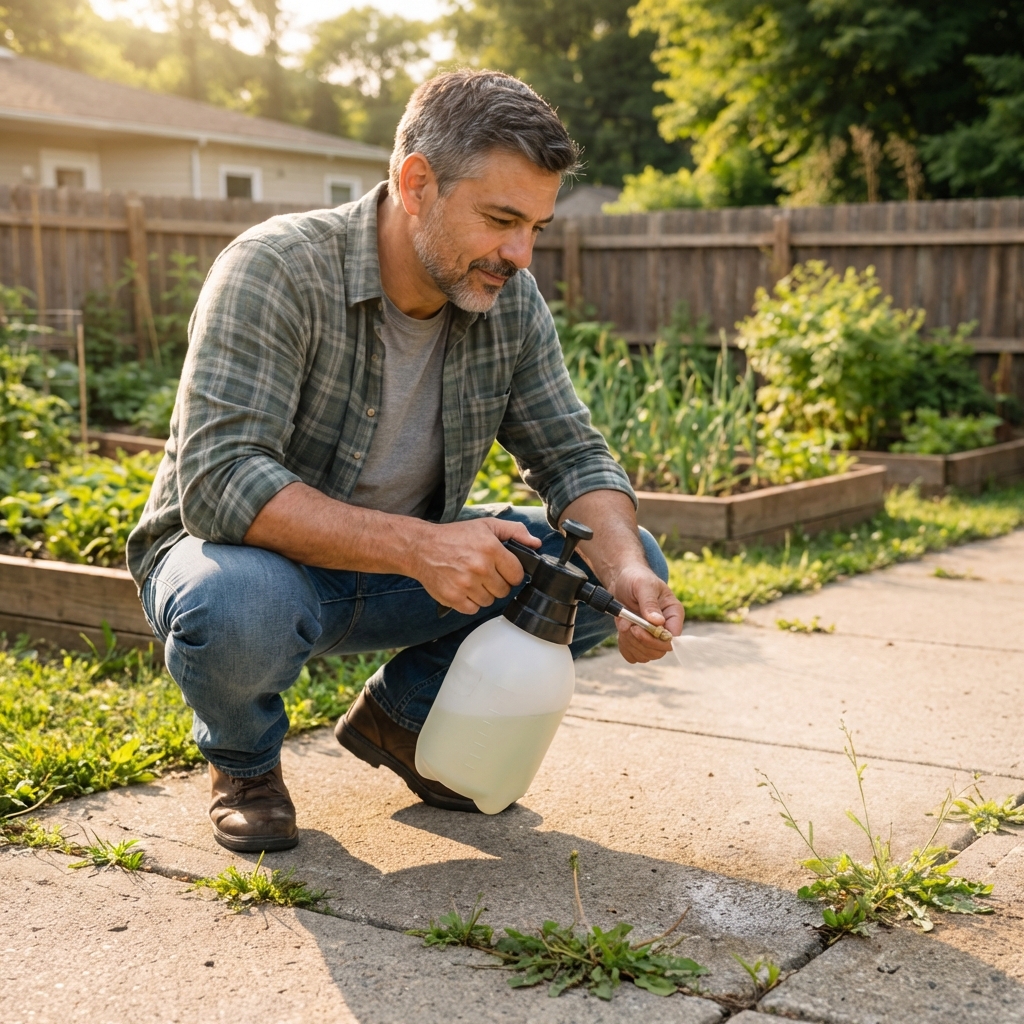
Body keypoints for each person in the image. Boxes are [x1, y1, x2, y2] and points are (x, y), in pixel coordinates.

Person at [127, 69, 685, 853]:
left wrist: (626, 571)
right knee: (239, 607)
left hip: (395, 571)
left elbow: (572, 454)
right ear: (416, 182)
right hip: (246, 563)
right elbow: (221, 483)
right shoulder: (275, 268)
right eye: (500, 219)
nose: (521, 254)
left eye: (536, 227)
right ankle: (245, 766)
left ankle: (401, 718)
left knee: (606, 562)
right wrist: (421, 547)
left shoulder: (508, 301)